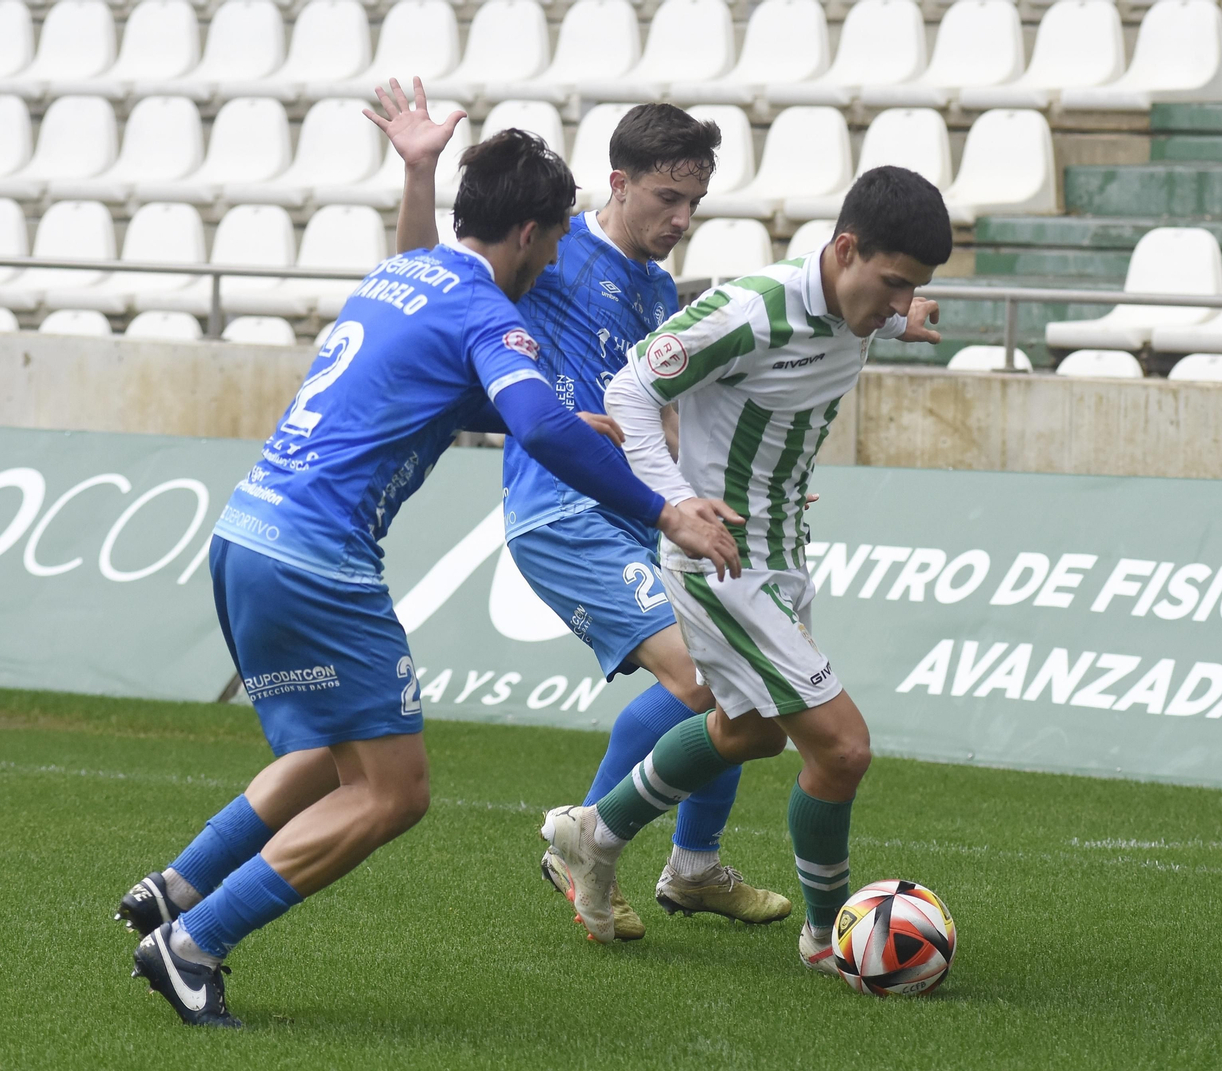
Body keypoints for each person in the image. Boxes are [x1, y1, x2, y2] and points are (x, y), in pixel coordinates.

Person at [115, 117, 742, 1028]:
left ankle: (176, 885)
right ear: (531, 234)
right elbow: (531, 424)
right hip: (319, 560)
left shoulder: (405, 273)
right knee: (395, 790)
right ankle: (193, 942)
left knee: (331, 755)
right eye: (559, 233)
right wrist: (663, 506)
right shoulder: (490, 311)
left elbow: (475, 378)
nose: (562, 248)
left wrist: (416, 172)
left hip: (246, 532)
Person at [381, 89, 791, 939]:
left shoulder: (657, 287)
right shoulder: (556, 247)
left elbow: (664, 417)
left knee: (739, 672)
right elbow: (428, 271)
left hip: (636, 512)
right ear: (618, 182)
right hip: (560, 510)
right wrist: (419, 173)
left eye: (694, 202)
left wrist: (713, 497)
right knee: (709, 679)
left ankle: (692, 865)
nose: (681, 217)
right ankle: (594, 839)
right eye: (665, 198)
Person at [539, 166, 952, 974]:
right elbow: (629, 389)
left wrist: (902, 318)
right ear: (844, 249)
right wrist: (676, 507)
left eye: (914, 291)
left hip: (783, 553)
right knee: (842, 749)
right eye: (895, 285)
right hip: (719, 560)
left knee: (750, 729)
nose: (899, 303)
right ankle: (828, 936)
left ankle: (595, 832)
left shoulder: (859, 303)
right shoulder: (750, 309)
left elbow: (858, 320)